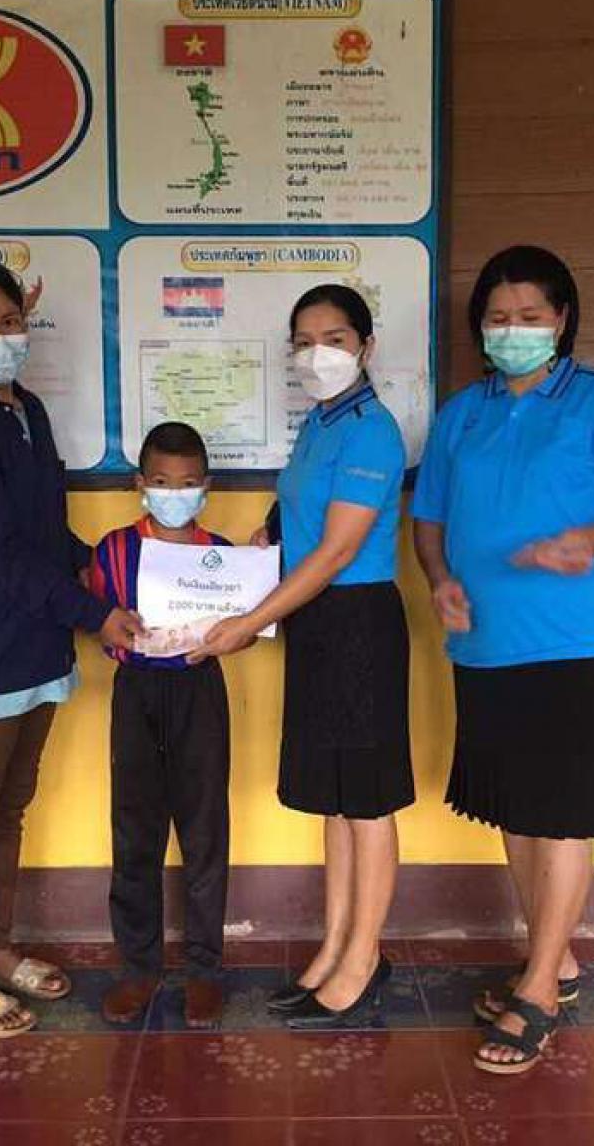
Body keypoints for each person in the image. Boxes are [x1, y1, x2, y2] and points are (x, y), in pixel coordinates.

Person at [412, 244, 594, 1074]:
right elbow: (429, 519)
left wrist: (588, 541)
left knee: (563, 815)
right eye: (497, 318)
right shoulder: (462, 414)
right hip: (484, 645)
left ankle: (540, 993)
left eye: (529, 316)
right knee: (519, 811)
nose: (511, 330)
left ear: (561, 320)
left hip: (573, 644)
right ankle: (552, 959)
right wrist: (441, 581)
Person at [0, 261, 141, 1038]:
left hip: (33, 646)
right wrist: (96, 613)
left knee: (5, 810)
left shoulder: (27, 410)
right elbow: (0, 553)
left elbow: (41, 531)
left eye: (8, 321)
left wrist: (105, 569)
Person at [189, 284, 414, 1029]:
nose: (319, 355)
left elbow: (339, 550)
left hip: (357, 623)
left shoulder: (373, 431)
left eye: (336, 339)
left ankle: (364, 958)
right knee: (336, 799)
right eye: (305, 342)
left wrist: (250, 620)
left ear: (366, 346)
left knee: (368, 802)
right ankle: (335, 946)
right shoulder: (321, 422)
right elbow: (302, 511)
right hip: (316, 623)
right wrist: (269, 534)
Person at [89, 422, 232, 1029]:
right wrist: (112, 630)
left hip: (199, 691)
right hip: (137, 693)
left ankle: (204, 970)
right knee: (134, 830)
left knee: (204, 830)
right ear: (140, 484)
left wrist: (231, 637)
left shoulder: (222, 555)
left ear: (207, 486)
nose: (176, 493)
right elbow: (96, 619)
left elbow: (243, 624)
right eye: (163, 482)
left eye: (189, 482)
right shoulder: (113, 550)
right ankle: (139, 967)